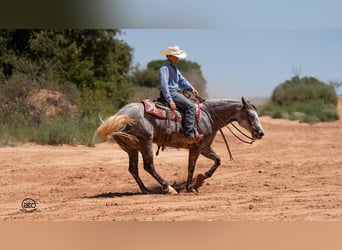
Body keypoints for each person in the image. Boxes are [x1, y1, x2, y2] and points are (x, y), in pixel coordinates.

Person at [159, 45, 203, 143]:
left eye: (177, 56)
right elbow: (164, 86)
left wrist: (191, 88)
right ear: (169, 56)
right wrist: (170, 100)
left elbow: (182, 80)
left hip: (175, 92)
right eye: (175, 56)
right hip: (171, 93)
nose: (177, 59)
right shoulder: (164, 68)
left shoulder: (174, 68)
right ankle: (189, 134)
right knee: (191, 107)